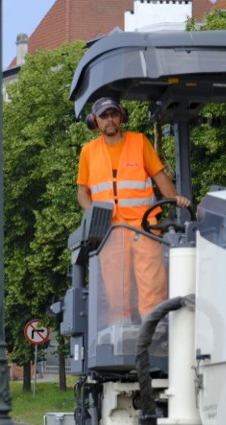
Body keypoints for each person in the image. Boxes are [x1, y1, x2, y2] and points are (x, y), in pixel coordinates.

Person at [77, 97, 191, 324]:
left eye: (113, 114)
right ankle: (121, 332)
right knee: (116, 288)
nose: (109, 120)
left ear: (121, 116)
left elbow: (160, 177)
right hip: (110, 230)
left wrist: (175, 199)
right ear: (94, 121)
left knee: (152, 282)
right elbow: (83, 193)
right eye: (104, 116)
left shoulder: (139, 142)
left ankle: (154, 329)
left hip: (144, 227)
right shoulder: (88, 152)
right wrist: (93, 215)